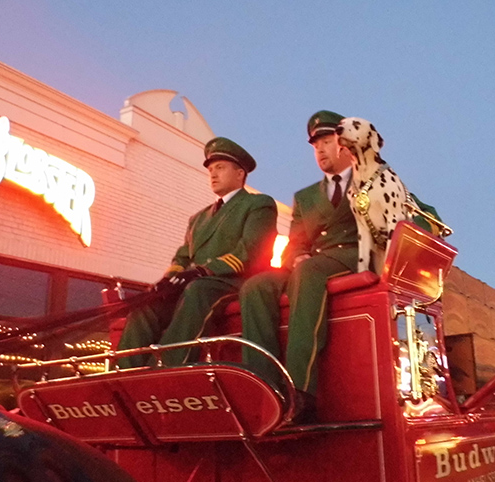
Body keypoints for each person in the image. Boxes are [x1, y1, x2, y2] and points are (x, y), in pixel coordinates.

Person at [117, 137, 277, 367]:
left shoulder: (258, 204)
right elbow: (183, 257)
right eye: (211, 170)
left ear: (240, 173)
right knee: (148, 303)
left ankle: (166, 368)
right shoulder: (198, 218)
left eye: (220, 168)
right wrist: (169, 278)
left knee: (197, 290)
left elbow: (251, 251)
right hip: (198, 283)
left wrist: (203, 270)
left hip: (234, 282)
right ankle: (123, 371)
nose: (213, 174)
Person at [239, 111, 358, 419]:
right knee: (256, 286)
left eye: (326, 142)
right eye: (315, 145)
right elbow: (296, 241)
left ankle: (301, 392)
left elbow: (417, 212)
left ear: (346, 144)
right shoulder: (305, 197)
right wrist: (296, 256)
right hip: (313, 261)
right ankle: (265, 391)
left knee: (308, 272)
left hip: (353, 256)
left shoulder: (373, 181)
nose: (319, 150)